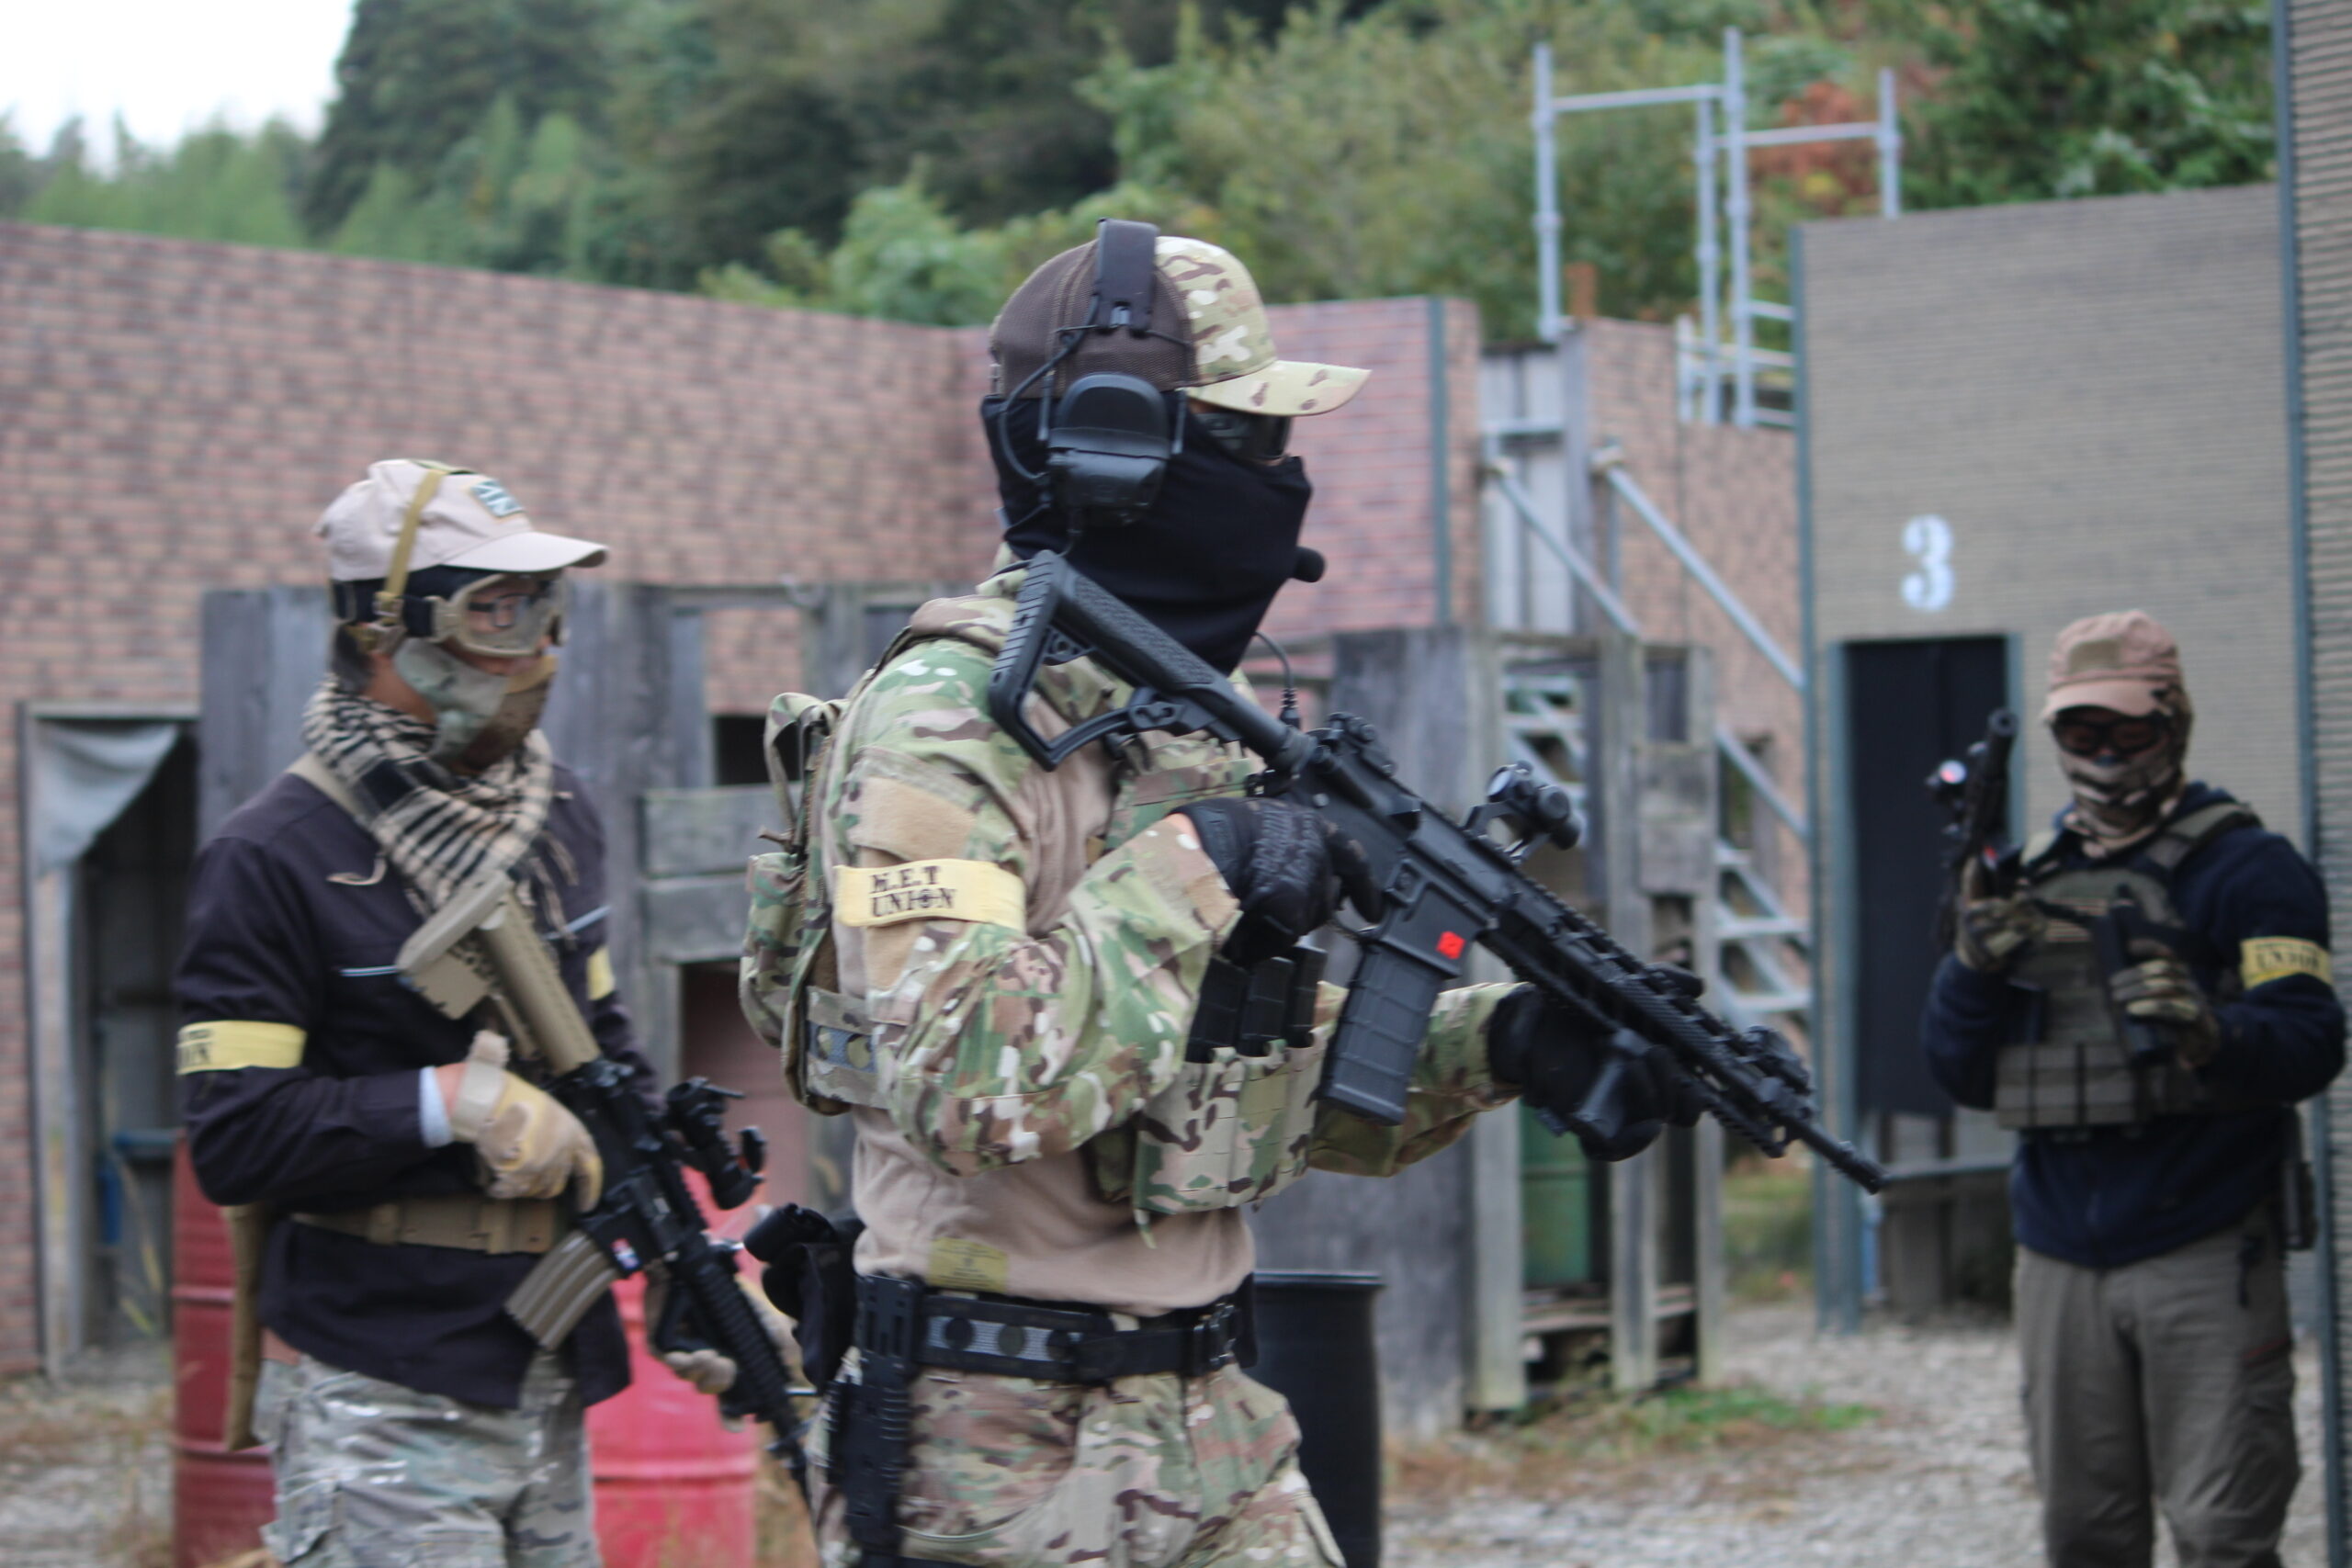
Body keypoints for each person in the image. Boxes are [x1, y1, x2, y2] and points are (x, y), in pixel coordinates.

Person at [746, 227, 1685, 1568]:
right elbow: (965, 1082)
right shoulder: (944, 722)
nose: (1279, 480)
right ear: (1112, 449)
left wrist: (1503, 1043)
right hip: (994, 1455)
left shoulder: (1189, 720)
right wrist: (1204, 859)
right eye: (1245, 439)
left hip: (1211, 1423)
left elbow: (1234, 1091)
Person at [176, 460, 689, 1567]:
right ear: (383, 630)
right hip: (383, 1388)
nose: (532, 647)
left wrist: (679, 1260)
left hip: (547, 1364)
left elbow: (605, 1054)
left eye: (540, 607)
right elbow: (234, 1137)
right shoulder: (273, 856)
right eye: (492, 610)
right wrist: (448, 1103)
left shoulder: (557, 816)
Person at [1922, 609, 2345, 1568]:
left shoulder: (2251, 870)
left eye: (2129, 728)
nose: (2106, 752)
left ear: (2175, 722)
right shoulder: (2023, 876)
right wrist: (1970, 972)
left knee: (2222, 1534)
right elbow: (1958, 1071)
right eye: (2083, 730)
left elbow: (2311, 1041)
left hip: (2204, 1241)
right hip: (2058, 1253)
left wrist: (2211, 1032)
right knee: (2085, 1536)